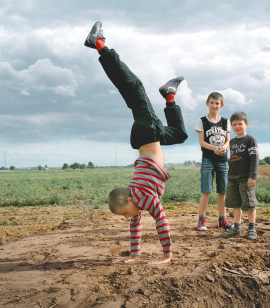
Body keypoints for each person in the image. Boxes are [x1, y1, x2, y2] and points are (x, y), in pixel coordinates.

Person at [84, 21, 188, 264]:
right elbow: (136, 227)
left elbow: (161, 221)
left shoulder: (144, 197)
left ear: (129, 200)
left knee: (134, 89)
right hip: (148, 138)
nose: (126, 217)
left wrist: (167, 257)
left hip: (147, 133)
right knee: (180, 134)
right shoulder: (138, 199)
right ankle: (169, 95)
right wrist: (134, 255)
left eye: (124, 213)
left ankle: (99, 45)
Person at [194, 92, 232, 231]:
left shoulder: (225, 121)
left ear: (221, 105)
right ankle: (201, 221)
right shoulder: (201, 121)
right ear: (207, 103)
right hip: (208, 160)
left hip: (223, 161)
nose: (214, 105)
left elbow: (228, 141)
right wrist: (214, 148)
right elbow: (202, 142)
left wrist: (223, 148)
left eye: (217, 103)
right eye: (212, 102)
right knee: (206, 191)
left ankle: (223, 220)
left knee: (223, 191)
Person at [222, 111, 259, 239]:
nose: (237, 127)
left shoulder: (250, 140)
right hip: (232, 178)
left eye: (240, 124)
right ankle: (237, 228)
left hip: (245, 178)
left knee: (249, 204)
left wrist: (252, 176)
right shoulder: (232, 142)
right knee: (235, 204)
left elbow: (254, 159)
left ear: (246, 124)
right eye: (234, 125)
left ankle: (252, 228)